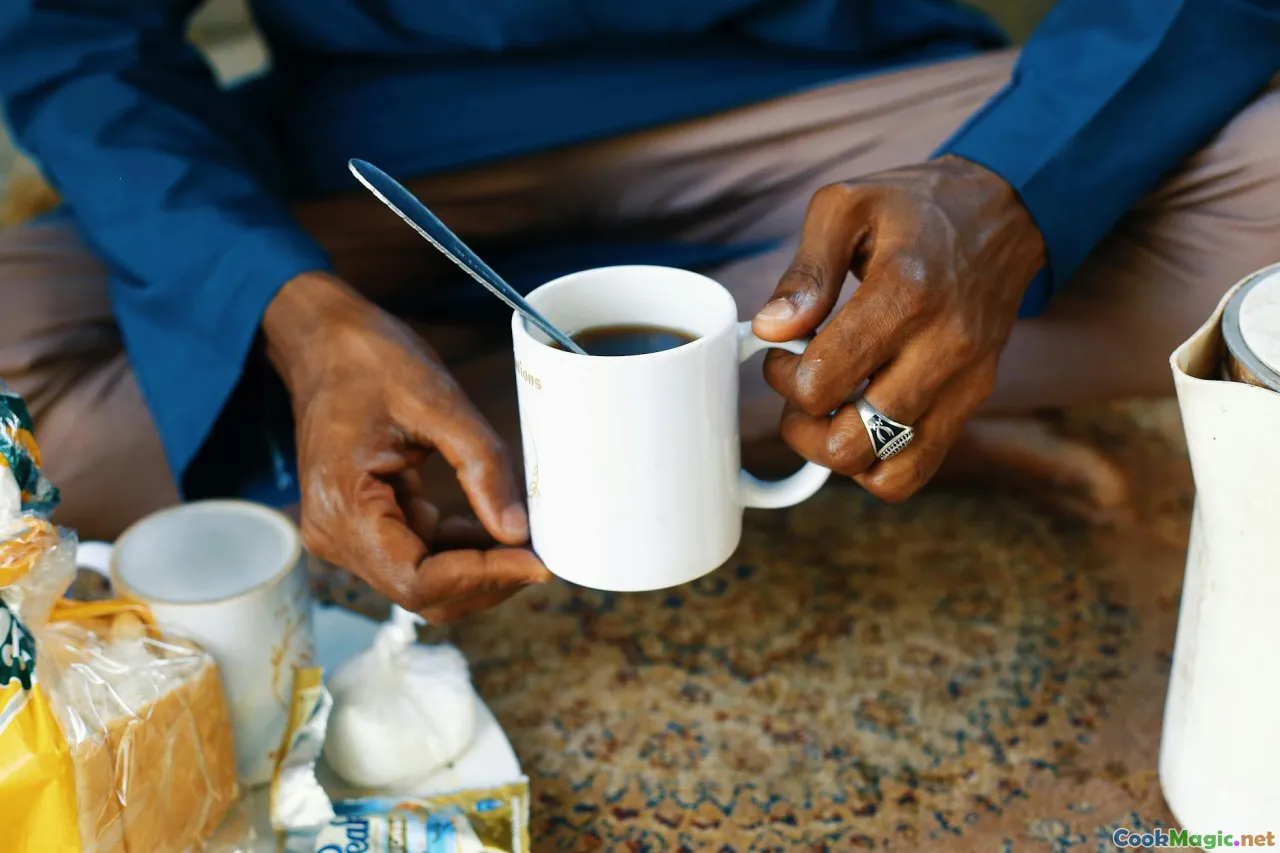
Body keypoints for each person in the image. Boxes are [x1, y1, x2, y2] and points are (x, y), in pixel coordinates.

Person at [0, 1, 1277, 622]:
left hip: (828, 108)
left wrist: (1006, 194)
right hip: (380, 143)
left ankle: (851, 371)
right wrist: (290, 314)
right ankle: (794, 397)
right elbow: (67, 31)